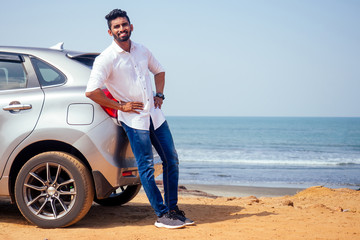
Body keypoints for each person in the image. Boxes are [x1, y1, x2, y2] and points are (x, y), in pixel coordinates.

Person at [85, 9, 194, 229]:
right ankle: (162, 215)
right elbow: (91, 91)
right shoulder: (106, 59)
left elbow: (160, 71)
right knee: (145, 166)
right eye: (116, 26)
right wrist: (120, 106)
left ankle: (173, 210)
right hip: (134, 121)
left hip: (155, 116)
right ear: (110, 32)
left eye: (124, 24)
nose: (121, 29)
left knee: (171, 160)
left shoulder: (142, 50)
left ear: (131, 26)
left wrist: (160, 95)